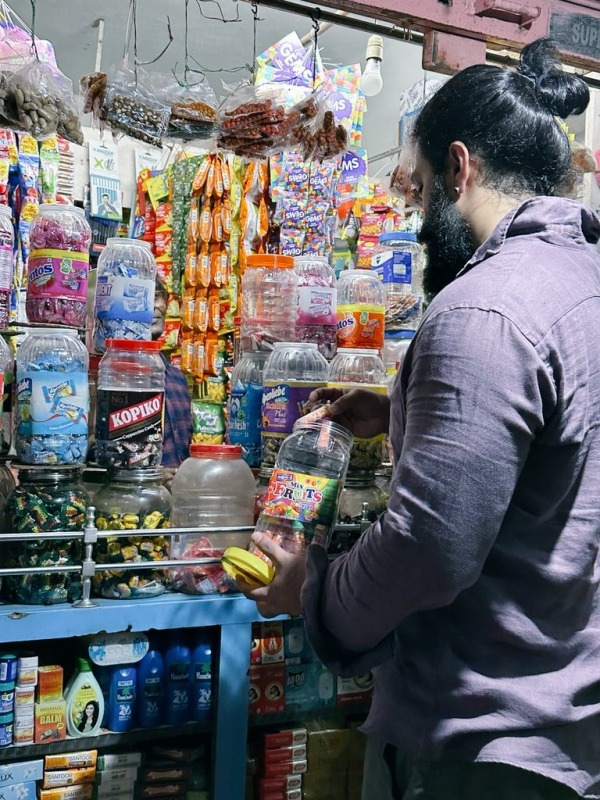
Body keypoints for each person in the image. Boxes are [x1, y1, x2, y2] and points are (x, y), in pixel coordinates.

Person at [242, 39, 600, 799]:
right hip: (573, 728)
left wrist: (313, 591)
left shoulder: (481, 308)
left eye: (422, 185)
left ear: (460, 168)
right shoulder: (584, 283)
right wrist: (404, 407)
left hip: (484, 747)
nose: (413, 207)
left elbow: (430, 547)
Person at [152, 279, 192, 481]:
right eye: (144, 296)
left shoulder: (177, 379)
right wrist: (149, 475)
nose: (154, 306)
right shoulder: (108, 374)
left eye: (157, 296)